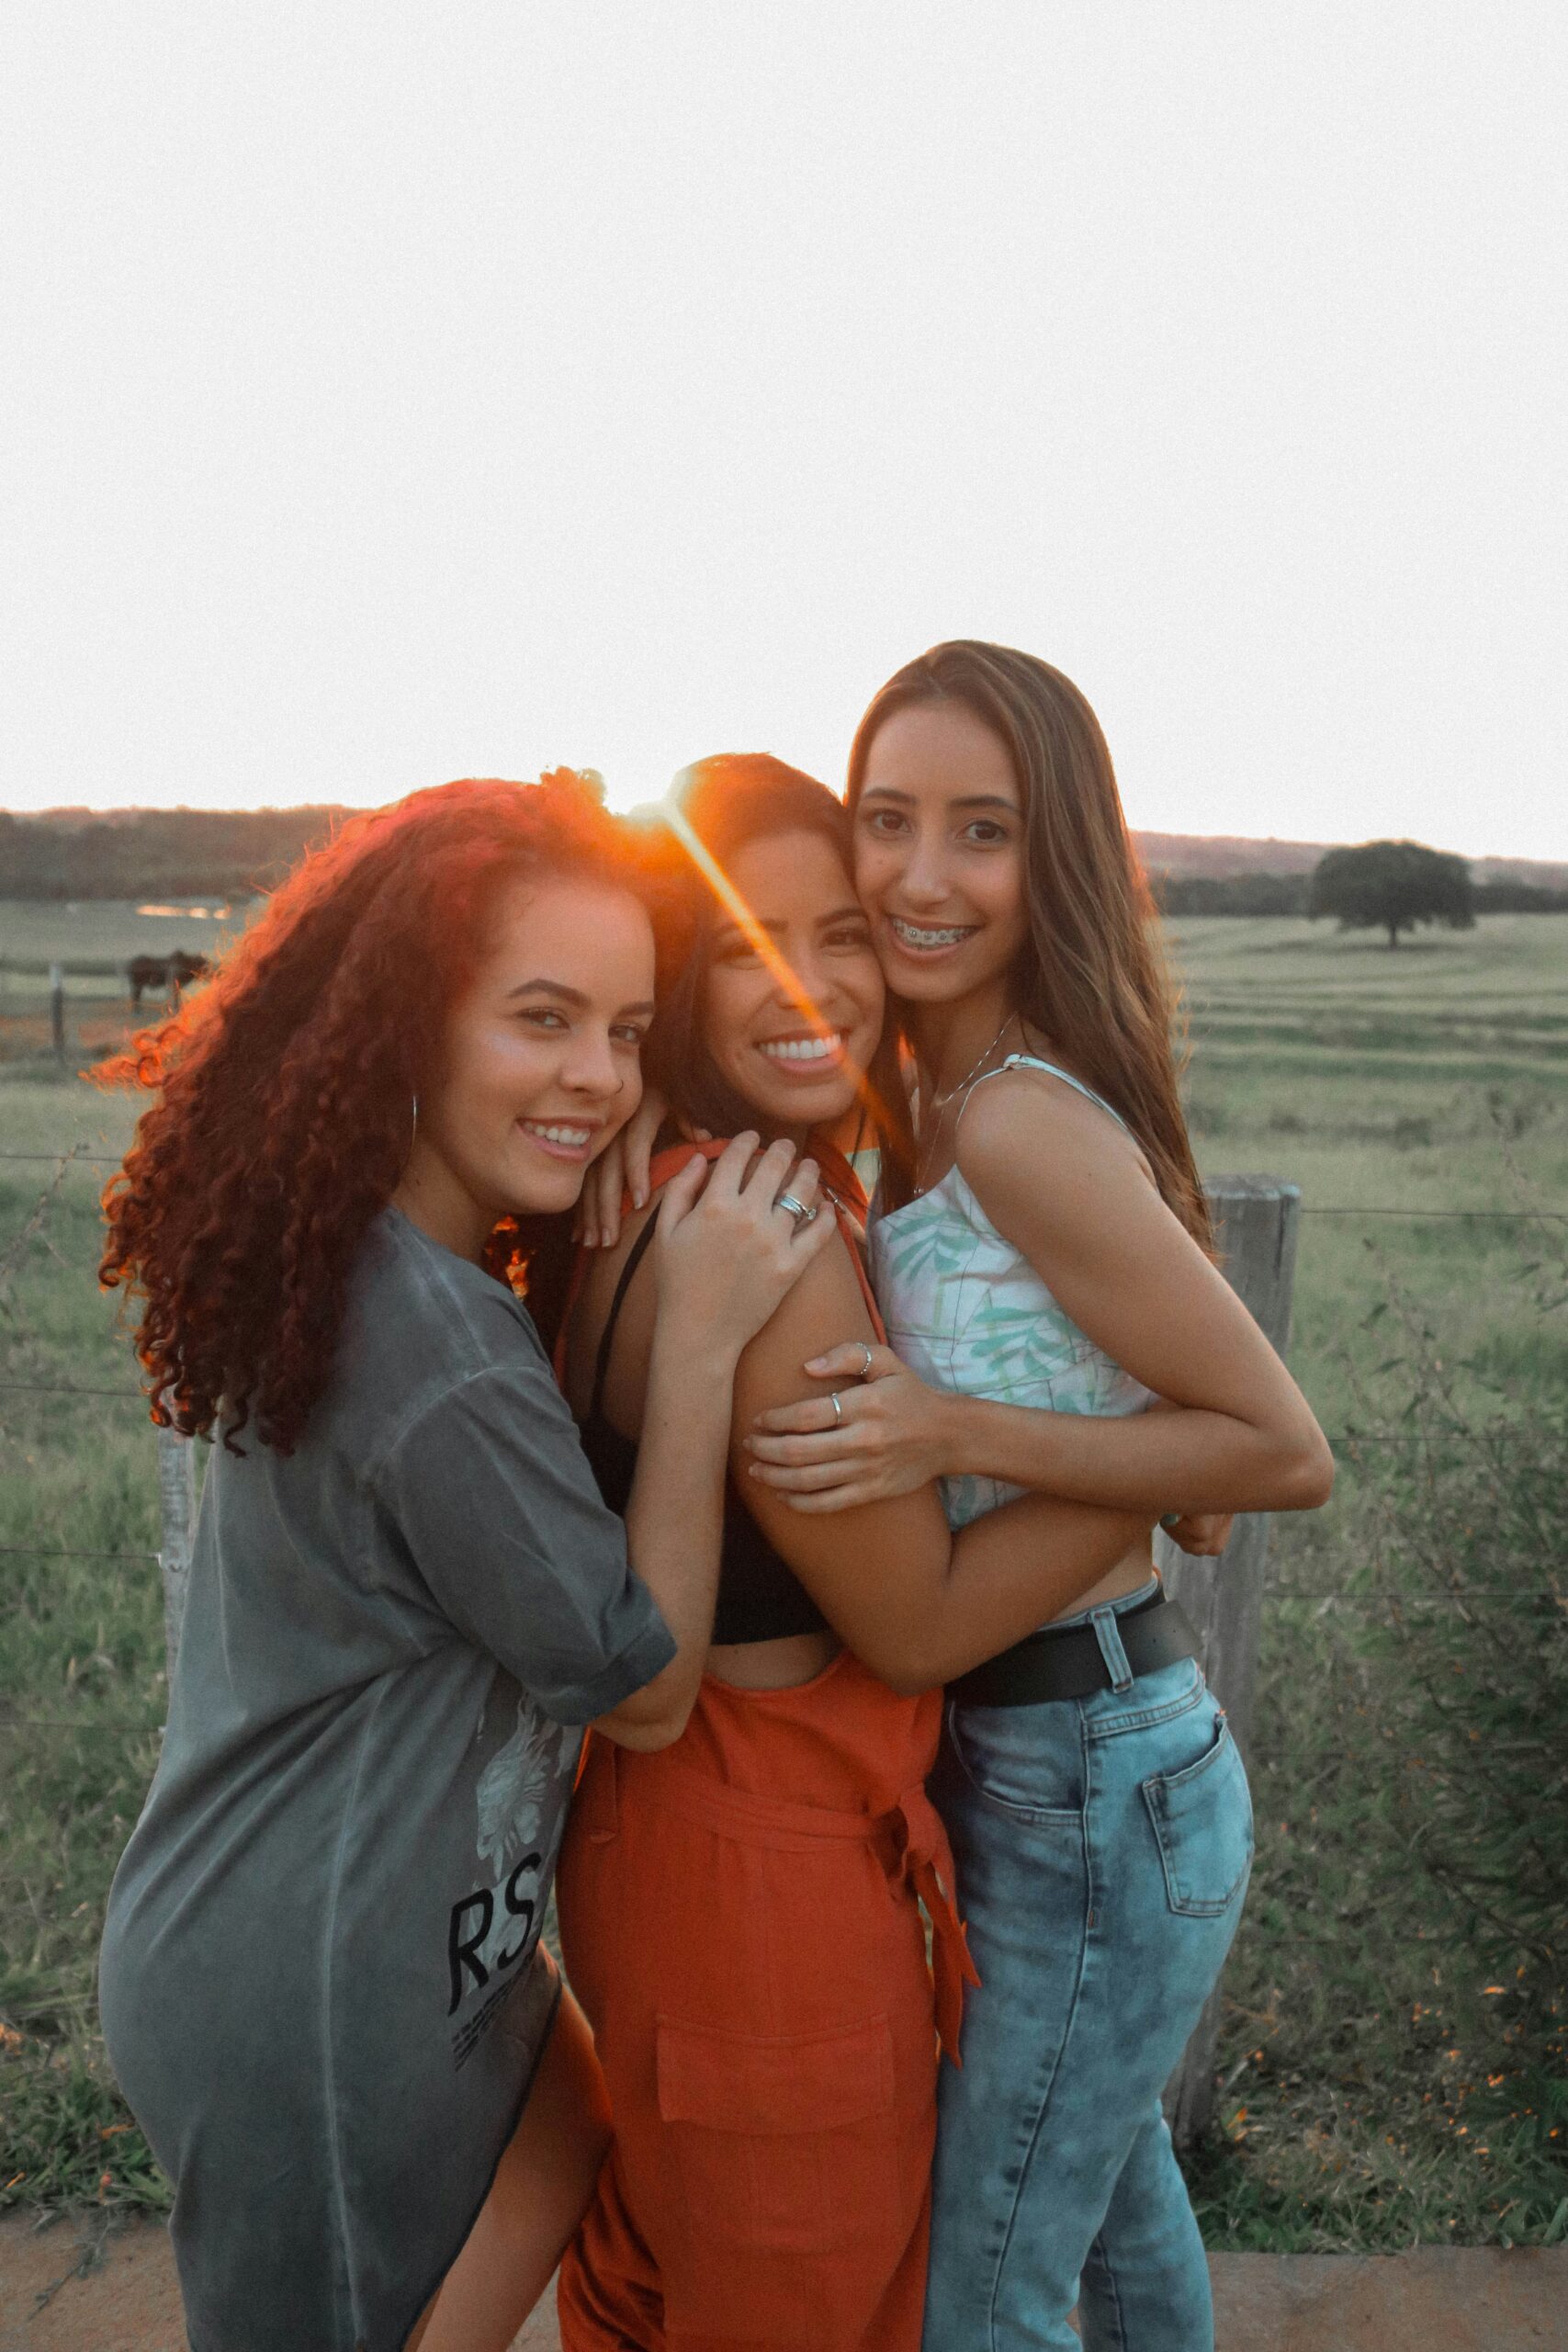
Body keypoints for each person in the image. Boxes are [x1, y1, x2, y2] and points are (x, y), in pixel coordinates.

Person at [94, 773, 838, 2352]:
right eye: (544, 1020)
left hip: (356, 1942)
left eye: (628, 1032)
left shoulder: (366, 1257)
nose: (595, 1076)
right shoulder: (437, 1353)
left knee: (571, 2122)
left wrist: (612, 1151)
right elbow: (642, 1691)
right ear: (409, 1027)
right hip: (319, 1993)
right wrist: (697, 1344)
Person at [740, 643, 1336, 2351]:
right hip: (1043, 1769)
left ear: (1052, 855)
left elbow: (1276, 1453)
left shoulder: (1015, 1124)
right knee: (1116, 2226)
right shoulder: (930, 1101)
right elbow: (1179, 1458)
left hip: (1096, 1782)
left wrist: (950, 1432)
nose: (919, 877)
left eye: (981, 832)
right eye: (886, 819)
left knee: (988, 2288)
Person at [552, 755, 1157, 2352]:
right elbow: (918, 1625)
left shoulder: (695, 1179)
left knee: (678, 2285)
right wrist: (1160, 1463)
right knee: (809, 2311)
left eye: (839, 934)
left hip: (686, 1850)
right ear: (678, 979)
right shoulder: (771, 1235)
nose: (811, 986)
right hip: (769, 1876)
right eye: (747, 948)